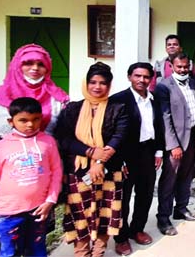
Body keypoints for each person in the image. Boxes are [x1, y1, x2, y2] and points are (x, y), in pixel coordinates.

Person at [0, 44, 68, 256]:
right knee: (4, 244)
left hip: (39, 186)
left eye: (41, 64)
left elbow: (62, 142)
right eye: (28, 63)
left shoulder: (58, 99)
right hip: (3, 184)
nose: (35, 68)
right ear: (16, 66)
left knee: (36, 242)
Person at [55, 62, 128, 257]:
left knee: (105, 214)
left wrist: (99, 162)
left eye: (103, 83)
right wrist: (90, 152)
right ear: (86, 83)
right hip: (78, 172)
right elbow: (64, 139)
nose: (97, 87)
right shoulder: (72, 109)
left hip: (109, 171)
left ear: (109, 85)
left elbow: (119, 137)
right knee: (80, 214)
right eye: (93, 82)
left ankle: (98, 252)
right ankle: (82, 253)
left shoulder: (118, 108)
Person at [0, 97, 62, 257]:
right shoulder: (1, 147)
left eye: (35, 119)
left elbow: (56, 172)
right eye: (23, 120)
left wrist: (50, 201)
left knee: (37, 250)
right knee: (9, 252)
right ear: (11, 121)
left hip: (38, 210)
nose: (30, 125)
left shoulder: (48, 142)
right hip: (8, 213)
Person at [109, 63, 165, 256]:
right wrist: (119, 160)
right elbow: (111, 132)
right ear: (129, 77)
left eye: (146, 77)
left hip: (148, 151)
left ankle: (137, 229)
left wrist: (159, 151)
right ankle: (121, 237)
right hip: (126, 155)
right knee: (123, 198)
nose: (142, 80)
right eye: (137, 76)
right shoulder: (118, 100)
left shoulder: (154, 98)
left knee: (146, 193)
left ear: (151, 79)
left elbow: (159, 126)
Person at [155, 53, 195, 236]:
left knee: (187, 175)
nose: (183, 70)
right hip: (174, 141)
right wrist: (173, 145)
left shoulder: (192, 83)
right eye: (179, 67)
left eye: (185, 66)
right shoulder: (164, 87)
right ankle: (163, 218)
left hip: (190, 137)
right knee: (169, 179)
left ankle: (181, 208)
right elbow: (165, 118)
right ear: (171, 66)